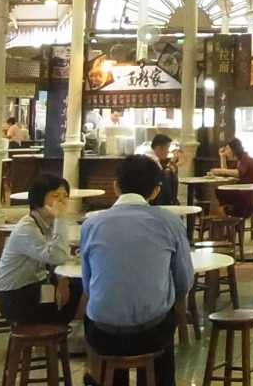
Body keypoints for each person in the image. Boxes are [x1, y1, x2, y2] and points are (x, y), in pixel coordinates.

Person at [80, 154, 192, 386]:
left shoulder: (91, 224)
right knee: (165, 317)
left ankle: (105, 379)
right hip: (152, 333)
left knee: (97, 320)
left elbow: (88, 284)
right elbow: (183, 281)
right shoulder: (169, 222)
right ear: (156, 191)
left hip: (104, 334)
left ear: (116, 186)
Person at [0, 174, 82, 325]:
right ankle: (59, 331)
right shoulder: (26, 227)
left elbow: (59, 257)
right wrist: (61, 218)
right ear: (38, 200)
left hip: (37, 285)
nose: (62, 201)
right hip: (17, 296)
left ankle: (62, 329)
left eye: (65, 196)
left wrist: (63, 281)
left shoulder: (49, 223)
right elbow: (58, 256)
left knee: (80, 285)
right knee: (80, 293)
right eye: (56, 196)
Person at [211, 137, 253, 218]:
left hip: (245, 194)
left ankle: (218, 219)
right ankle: (219, 218)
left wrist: (220, 171)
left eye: (227, 149)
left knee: (218, 192)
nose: (226, 152)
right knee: (218, 192)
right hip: (241, 192)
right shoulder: (239, 160)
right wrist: (222, 157)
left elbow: (238, 172)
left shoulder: (245, 159)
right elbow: (226, 172)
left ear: (234, 149)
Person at [141, 134, 179, 207]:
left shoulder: (147, 155)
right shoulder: (152, 160)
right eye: (167, 148)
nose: (168, 151)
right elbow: (162, 177)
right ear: (158, 148)